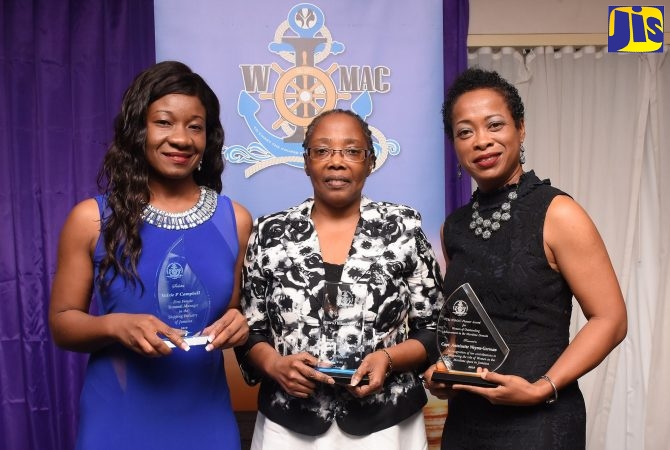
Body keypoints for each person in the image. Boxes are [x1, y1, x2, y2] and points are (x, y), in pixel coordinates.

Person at [49, 61, 252, 450]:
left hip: (206, 417)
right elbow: (62, 324)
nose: (182, 138)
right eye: (164, 122)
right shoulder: (91, 218)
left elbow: (232, 310)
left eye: (195, 126)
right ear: (137, 130)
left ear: (208, 138)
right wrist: (115, 326)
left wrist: (237, 323)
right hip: (119, 418)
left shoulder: (236, 220)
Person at [422, 67, 627, 449]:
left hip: (540, 420)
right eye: (465, 132)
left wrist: (541, 388)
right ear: (454, 145)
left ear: (521, 128)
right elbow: (465, 329)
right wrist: (445, 371)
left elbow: (611, 320)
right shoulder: (455, 228)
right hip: (468, 423)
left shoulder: (558, 213)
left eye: (495, 125)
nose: (481, 141)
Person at [235, 109, 444, 449]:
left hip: (386, 425)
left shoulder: (403, 228)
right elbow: (249, 328)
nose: (336, 161)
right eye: (322, 150)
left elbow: (434, 326)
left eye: (351, 150)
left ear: (370, 161)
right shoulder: (270, 232)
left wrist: (388, 360)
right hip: (287, 425)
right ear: (306, 161)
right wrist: (274, 364)